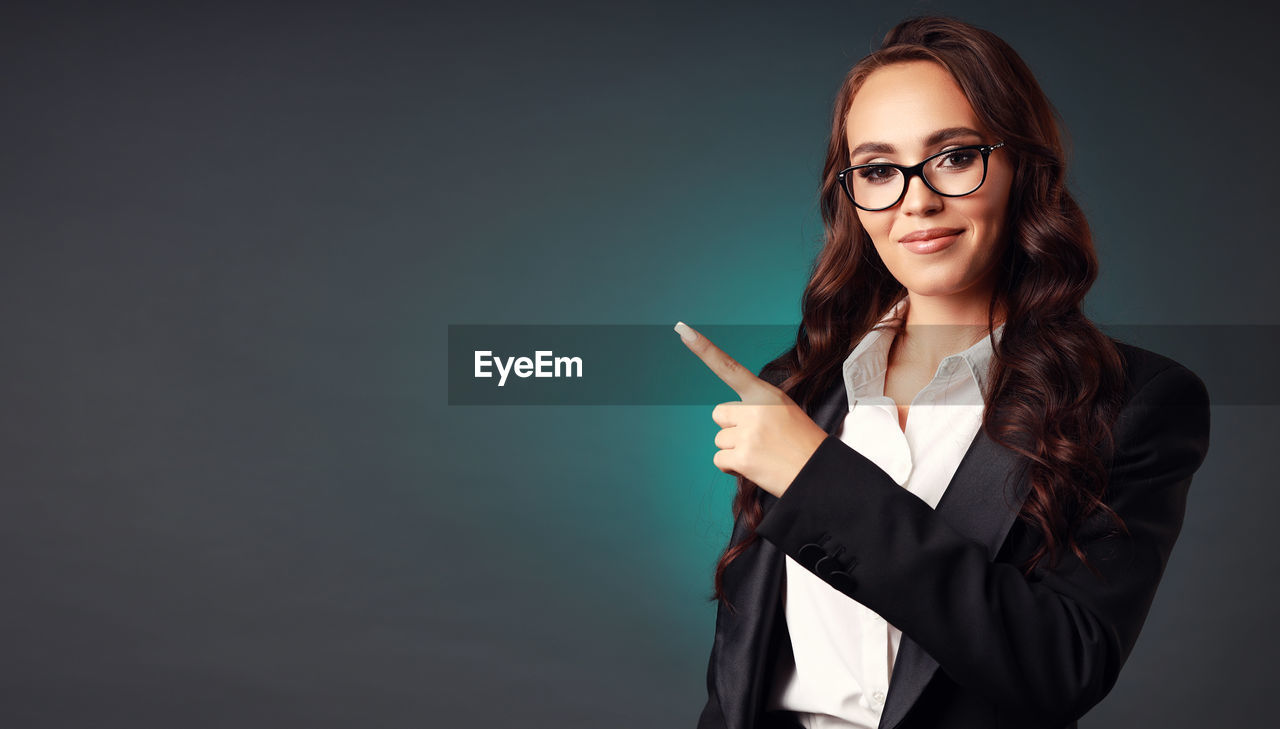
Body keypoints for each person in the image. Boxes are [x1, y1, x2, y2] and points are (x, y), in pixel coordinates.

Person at [674, 15, 1211, 729]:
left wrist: (818, 481)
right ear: (852, 196)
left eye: (955, 156)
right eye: (876, 169)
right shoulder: (801, 385)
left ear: (1023, 167)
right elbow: (741, 672)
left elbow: (1060, 667)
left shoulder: (1132, 403)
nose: (916, 199)